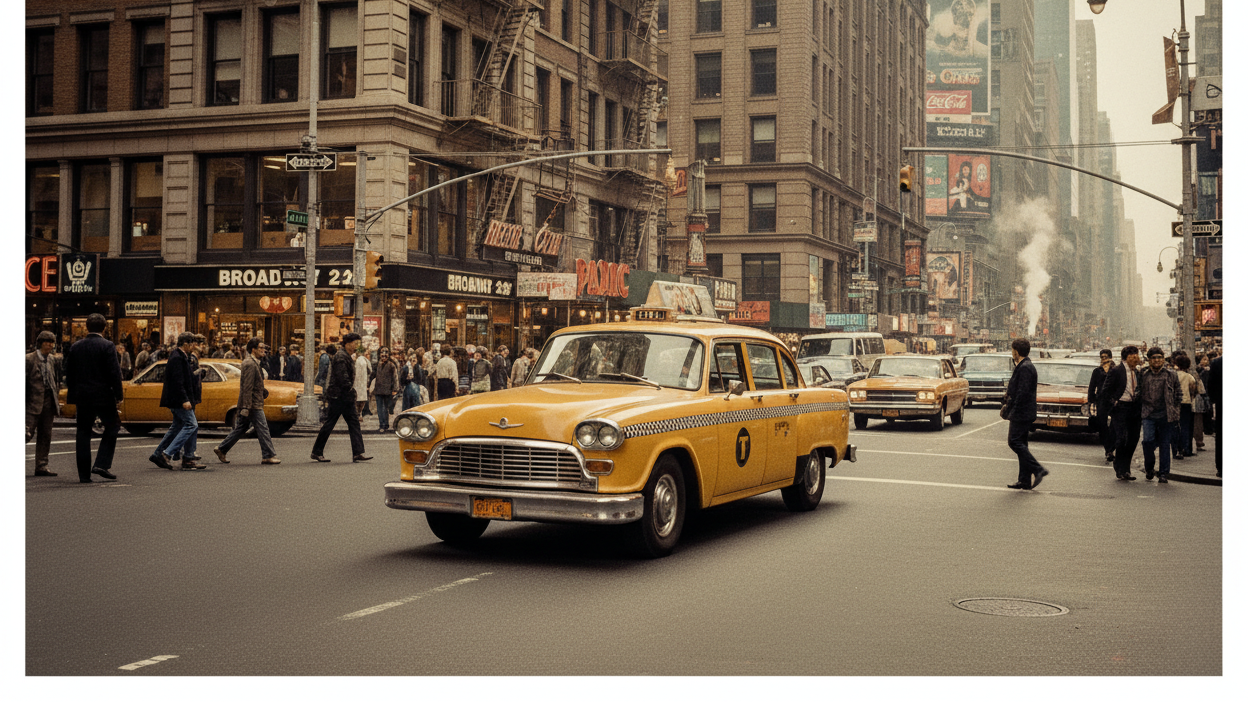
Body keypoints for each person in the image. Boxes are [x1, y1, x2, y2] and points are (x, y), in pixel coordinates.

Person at [64, 313, 124, 483]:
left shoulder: (76, 347)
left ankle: (84, 475)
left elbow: (69, 372)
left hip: (82, 395)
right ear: (104, 328)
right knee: (112, 426)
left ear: (87, 327)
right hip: (103, 394)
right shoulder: (107, 346)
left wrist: (74, 391)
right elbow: (114, 373)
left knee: (83, 432)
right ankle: (102, 463)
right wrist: (118, 395)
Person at [213, 338, 280, 465]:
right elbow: (247, 387)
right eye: (261, 348)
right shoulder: (250, 364)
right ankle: (268, 455)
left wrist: (262, 391)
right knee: (263, 428)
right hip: (252, 404)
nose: (264, 350)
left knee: (241, 428)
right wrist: (246, 406)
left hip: (252, 402)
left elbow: (252, 383)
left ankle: (222, 449)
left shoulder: (254, 362)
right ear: (253, 349)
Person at [311, 332, 370, 463]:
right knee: (330, 423)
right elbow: (342, 378)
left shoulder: (345, 355)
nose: (356, 346)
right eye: (354, 343)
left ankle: (358, 452)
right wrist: (351, 390)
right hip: (339, 396)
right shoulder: (341, 357)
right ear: (347, 344)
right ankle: (317, 452)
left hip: (344, 396)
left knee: (353, 423)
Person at [1001, 338, 1049, 490]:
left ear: (1016, 351)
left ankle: (1038, 469)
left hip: (1021, 413)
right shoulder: (1023, 366)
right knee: (1022, 444)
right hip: (1023, 412)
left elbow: (1022, 393)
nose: (1012, 353)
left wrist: (1012, 410)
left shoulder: (1025, 367)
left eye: (1012, 350)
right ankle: (1024, 480)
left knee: (1014, 442)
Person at [149, 332, 202, 471]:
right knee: (191, 424)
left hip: (177, 398)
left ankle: (158, 454)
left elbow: (184, 378)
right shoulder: (177, 358)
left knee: (177, 427)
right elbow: (177, 381)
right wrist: (184, 399)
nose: (194, 347)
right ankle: (167, 454)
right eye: (192, 344)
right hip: (178, 399)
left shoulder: (181, 356)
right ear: (185, 344)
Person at [1138, 347, 1181, 483]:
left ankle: (1163, 473)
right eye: (1154, 358)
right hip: (1148, 414)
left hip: (1166, 415)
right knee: (1147, 441)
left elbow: (1178, 394)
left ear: (1163, 359)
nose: (1157, 360)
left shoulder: (1171, 375)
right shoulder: (1143, 374)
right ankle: (1149, 468)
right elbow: (1138, 392)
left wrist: (1175, 410)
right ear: (1149, 360)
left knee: (1165, 444)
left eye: (1159, 357)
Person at [1102, 346, 1143, 481]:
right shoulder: (1116, 371)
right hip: (1120, 408)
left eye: (1137, 355)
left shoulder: (1137, 372)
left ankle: (1126, 469)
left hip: (1134, 408)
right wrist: (1113, 403)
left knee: (1133, 439)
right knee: (1122, 438)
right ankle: (1119, 467)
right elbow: (1106, 390)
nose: (1136, 358)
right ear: (1126, 357)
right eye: (1133, 356)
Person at [26, 330, 61, 477]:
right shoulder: (29, 359)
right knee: (26, 433)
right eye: (47, 342)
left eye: (52, 342)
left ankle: (42, 465)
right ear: (40, 343)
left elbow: (55, 379)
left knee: (45, 435)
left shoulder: (52, 360)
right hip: (32, 401)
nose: (50, 345)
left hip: (49, 401)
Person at [1088, 348, 1117, 463]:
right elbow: (1092, 387)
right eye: (1102, 357)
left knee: (1114, 425)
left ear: (1110, 357)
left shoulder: (1115, 370)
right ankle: (1108, 450)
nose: (1104, 359)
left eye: (1106, 357)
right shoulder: (1097, 371)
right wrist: (1091, 401)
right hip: (1101, 401)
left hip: (1114, 401)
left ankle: (1112, 446)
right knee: (1102, 425)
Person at [1173, 355, 1198, 460]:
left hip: (1174, 404)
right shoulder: (1189, 377)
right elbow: (1193, 388)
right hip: (1186, 402)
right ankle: (1186, 449)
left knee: (1175, 427)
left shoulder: (1173, 375)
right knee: (1186, 426)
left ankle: (1176, 449)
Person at [371, 347, 400, 433]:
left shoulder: (391, 365)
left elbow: (395, 378)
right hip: (378, 389)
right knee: (379, 409)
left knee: (386, 408)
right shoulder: (376, 365)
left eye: (386, 352)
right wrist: (368, 386)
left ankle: (385, 425)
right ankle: (382, 425)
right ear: (379, 354)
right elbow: (372, 376)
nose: (384, 354)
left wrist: (395, 389)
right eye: (382, 352)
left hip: (388, 390)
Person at [1207, 354, 1222, 477]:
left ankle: (1221, 467)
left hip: (1222, 404)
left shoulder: (1217, 363)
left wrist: (1215, 400)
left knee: (1221, 437)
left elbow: (1210, 386)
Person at [354, 344, 372, 417]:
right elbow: (370, 370)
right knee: (363, 398)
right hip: (363, 382)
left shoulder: (355, 360)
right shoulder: (365, 360)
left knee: (356, 398)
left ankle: (358, 413)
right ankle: (360, 413)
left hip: (356, 382)